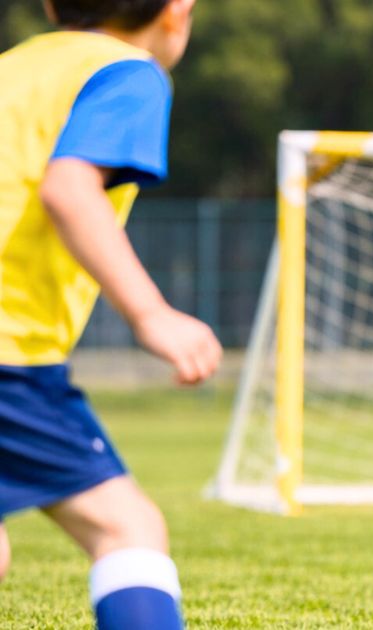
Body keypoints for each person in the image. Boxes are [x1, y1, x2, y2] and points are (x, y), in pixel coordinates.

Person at [0, 2, 221, 628]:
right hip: (9, 350)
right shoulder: (128, 71)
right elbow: (68, 187)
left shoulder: (14, 67)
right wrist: (151, 313)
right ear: (177, 11)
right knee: (127, 528)